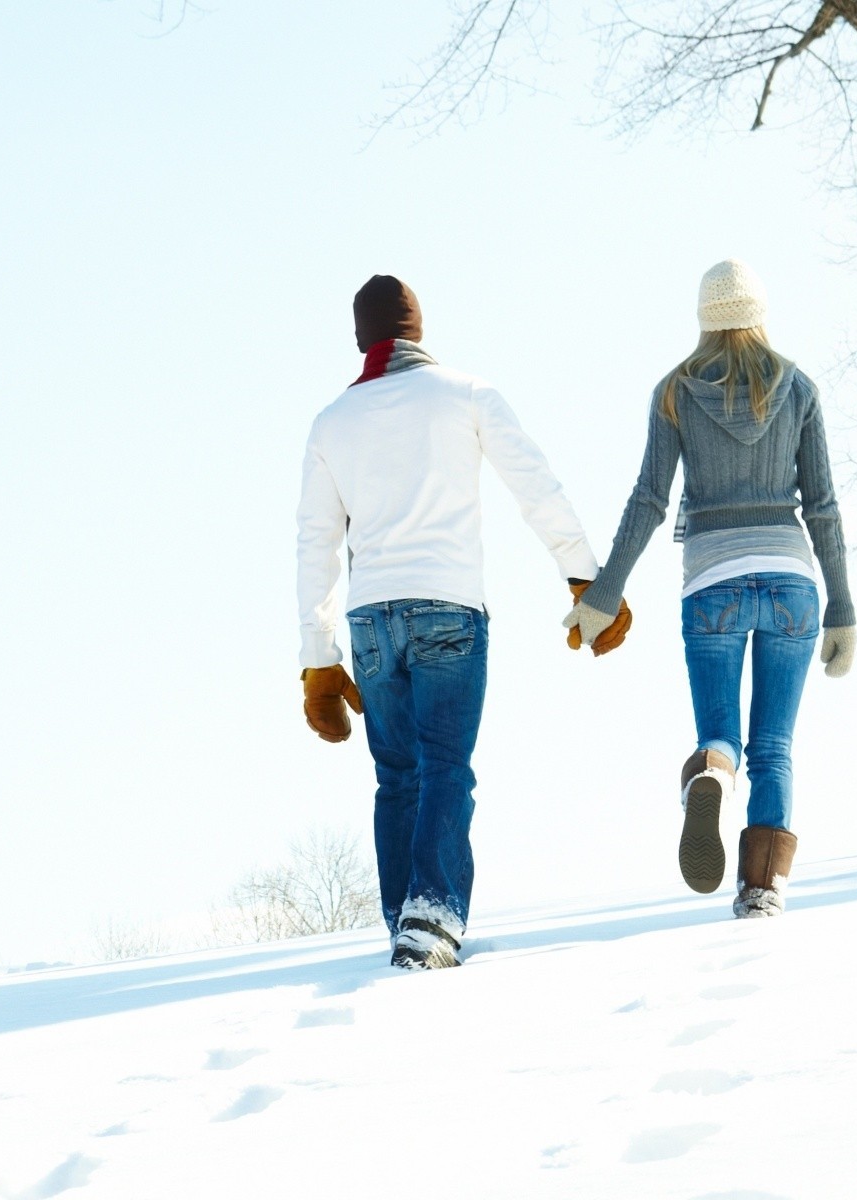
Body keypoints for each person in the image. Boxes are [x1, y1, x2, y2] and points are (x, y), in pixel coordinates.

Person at [296, 274, 631, 970]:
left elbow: (315, 544)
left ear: (362, 338)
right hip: (448, 606)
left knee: (397, 776)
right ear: (418, 329)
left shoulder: (331, 422)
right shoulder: (467, 394)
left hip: (370, 620)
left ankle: (405, 920)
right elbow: (534, 483)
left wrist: (318, 658)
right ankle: (431, 915)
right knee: (446, 766)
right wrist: (584, 576)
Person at [564, 259, 856, 919]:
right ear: (759, 316)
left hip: (713, 581)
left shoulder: (674, 392)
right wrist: (842, 607)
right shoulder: (799, 388)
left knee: (722, 733)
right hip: (791, 579)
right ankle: (761, 888)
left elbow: (648, 501)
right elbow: (825, 506)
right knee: (774, 744)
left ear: (705, 320)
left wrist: (605, 593)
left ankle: (712, 775)